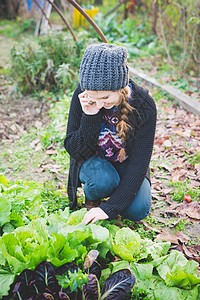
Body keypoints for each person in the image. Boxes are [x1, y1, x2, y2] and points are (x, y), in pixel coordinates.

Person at [64, 43, 157, 225]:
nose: (98, 104)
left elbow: (139, 163)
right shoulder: (82, 95)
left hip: (126, 165)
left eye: (105, 98)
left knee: (138, 209)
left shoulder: (144, 105)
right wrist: (89, 115)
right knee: (101, 180)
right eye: (93, 97)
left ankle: (115, 195)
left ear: (121, 87)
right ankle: (93, 198)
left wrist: (111, 208)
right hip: (96, 165)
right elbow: (74, 150)